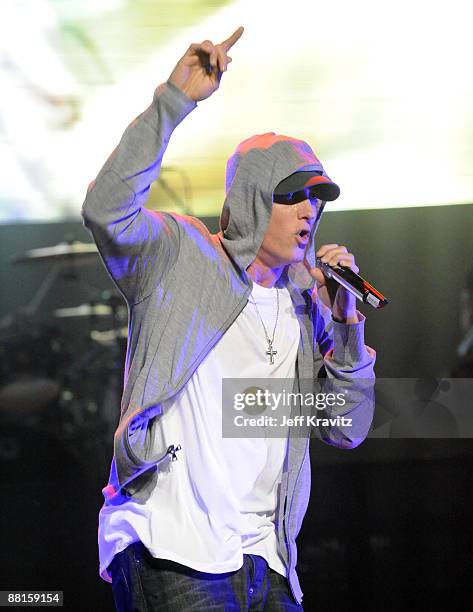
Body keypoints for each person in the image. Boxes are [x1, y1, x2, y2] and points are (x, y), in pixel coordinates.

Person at [82, 26, 376, 611]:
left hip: (264, 559)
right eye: (294, 196)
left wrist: (348, 327)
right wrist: (176, 99)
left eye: (317, 198)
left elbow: (345, 427)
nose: (309, 211)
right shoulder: (182, 257)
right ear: (253, 198)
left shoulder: (303, 299)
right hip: (174, 547)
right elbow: (104, 208)